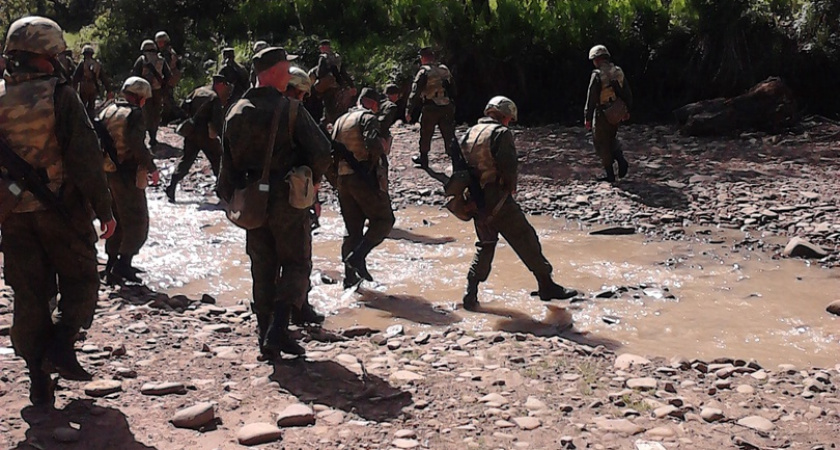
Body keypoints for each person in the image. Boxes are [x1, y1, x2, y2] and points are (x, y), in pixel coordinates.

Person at [0, 16, 116, 407]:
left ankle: (38, 376)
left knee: (30, 294)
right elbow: (85, 158)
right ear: (45, 54)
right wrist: (104, 209)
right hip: (61, 211)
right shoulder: (60, 95)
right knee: (82, 280)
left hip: (12, 215)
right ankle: (62, 343)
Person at [219, 47, 332, 358]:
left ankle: (263, 335)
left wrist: (229, 197)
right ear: (273, 73)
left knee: (262, 267)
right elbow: (322, 151)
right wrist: (314, 181)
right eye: (285, 71)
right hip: (288, 200)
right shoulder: (291, 109)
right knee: (297, 263)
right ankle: (278, 330)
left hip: (253, 200)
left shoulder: (235, 110)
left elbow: (226, 163)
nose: (288, 77)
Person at [456, 96, 577, 311]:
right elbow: (508, 166)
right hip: (496, 198)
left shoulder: (469, 132)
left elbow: (460, 166)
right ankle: (546, 285)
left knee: (485, 244)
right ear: (505, 116)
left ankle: (470, 293)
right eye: (509, 119)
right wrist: (510, 188)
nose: (509, 122)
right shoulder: (501, 133)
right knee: (525, 238)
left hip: (474, 199)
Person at [331, 88, 395, 288]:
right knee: (384, 220)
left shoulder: (341, 120)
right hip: (363, 177)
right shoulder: (368, 118)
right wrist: (379, 155)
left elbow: (331, 150)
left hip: (343, 179)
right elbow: (372, 144)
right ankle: (358, 256)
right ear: (373, 104)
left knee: (352, 230)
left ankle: (350, 279)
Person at [99, 77, 159, 283]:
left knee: (115, 219)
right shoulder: (134, 114)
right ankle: (123, 265)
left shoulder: (107, 110)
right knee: (137, 221)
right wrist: (152, 167)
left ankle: (111, 263)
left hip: (107, 173)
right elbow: (137, 144)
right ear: (141, 96)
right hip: (126, 174)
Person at [166, 74, 231, 202]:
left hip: (191, 133)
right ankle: (221, 191)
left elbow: (184, 106)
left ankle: (172, 186)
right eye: (225, 85)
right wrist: (223, 137)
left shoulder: (198, 91)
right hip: (206, 136)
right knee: (217, 161)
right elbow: (217, 122)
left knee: (186, 160)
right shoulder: (214, 98)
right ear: (220, 84)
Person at [584, 44, 633, 182]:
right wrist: (627, 110)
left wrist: (587, 117)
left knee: (600, 141)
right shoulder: (618, 71)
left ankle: (610, 174)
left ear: (596, 59)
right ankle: (621, 160)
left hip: (603, 112)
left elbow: (591, 97)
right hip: (616, 111)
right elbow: (627, 93)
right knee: (611, 137)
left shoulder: (597, 74)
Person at [406, 47, 456, 168]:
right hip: (446, 105)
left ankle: (424, 160)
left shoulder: (424, 72)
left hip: (431, 106)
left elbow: (415, 92)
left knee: (426, 133)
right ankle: (456, 160)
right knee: (449, 133)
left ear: (423, 58)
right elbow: (453, 87)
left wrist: (409, 110)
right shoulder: (444, 69)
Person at [132, 39, 171, 147]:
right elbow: (168, 75)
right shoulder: (161, 60)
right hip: (157, 90)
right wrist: (163, 86)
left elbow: (134, 75)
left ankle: (149, 136)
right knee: (156, 113)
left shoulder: (141, 60)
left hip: (144, 91)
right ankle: (153, 135)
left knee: (146, 113)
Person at [314, 39, 355, 126]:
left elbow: (319, 73)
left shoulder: (323, 57)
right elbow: (343, 73)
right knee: (338, 109)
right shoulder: (337, 57)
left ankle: (323, 128)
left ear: (323, 47)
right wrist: (351, 85)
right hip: (338, 88)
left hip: (328, 88)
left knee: (328, 110)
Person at [72, 44, 111, 118]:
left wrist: (73, 88)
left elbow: (75, 78)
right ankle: (91, 121)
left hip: (83, 87)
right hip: (93, 88)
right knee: (91, 106)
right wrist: (108, 90)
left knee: (82, 106)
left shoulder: (82, 64)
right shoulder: (97, 64)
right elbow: (104, 78)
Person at [155, 31, 184, 123]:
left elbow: (166, 67)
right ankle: (165, 119)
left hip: (168, 78)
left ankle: (183, 116)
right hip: (170, 77)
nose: (159, 44)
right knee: (167, 99)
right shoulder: (168, 51)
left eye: (161, 42)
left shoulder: (166, 53)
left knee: (168, 100)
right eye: (158, 42)